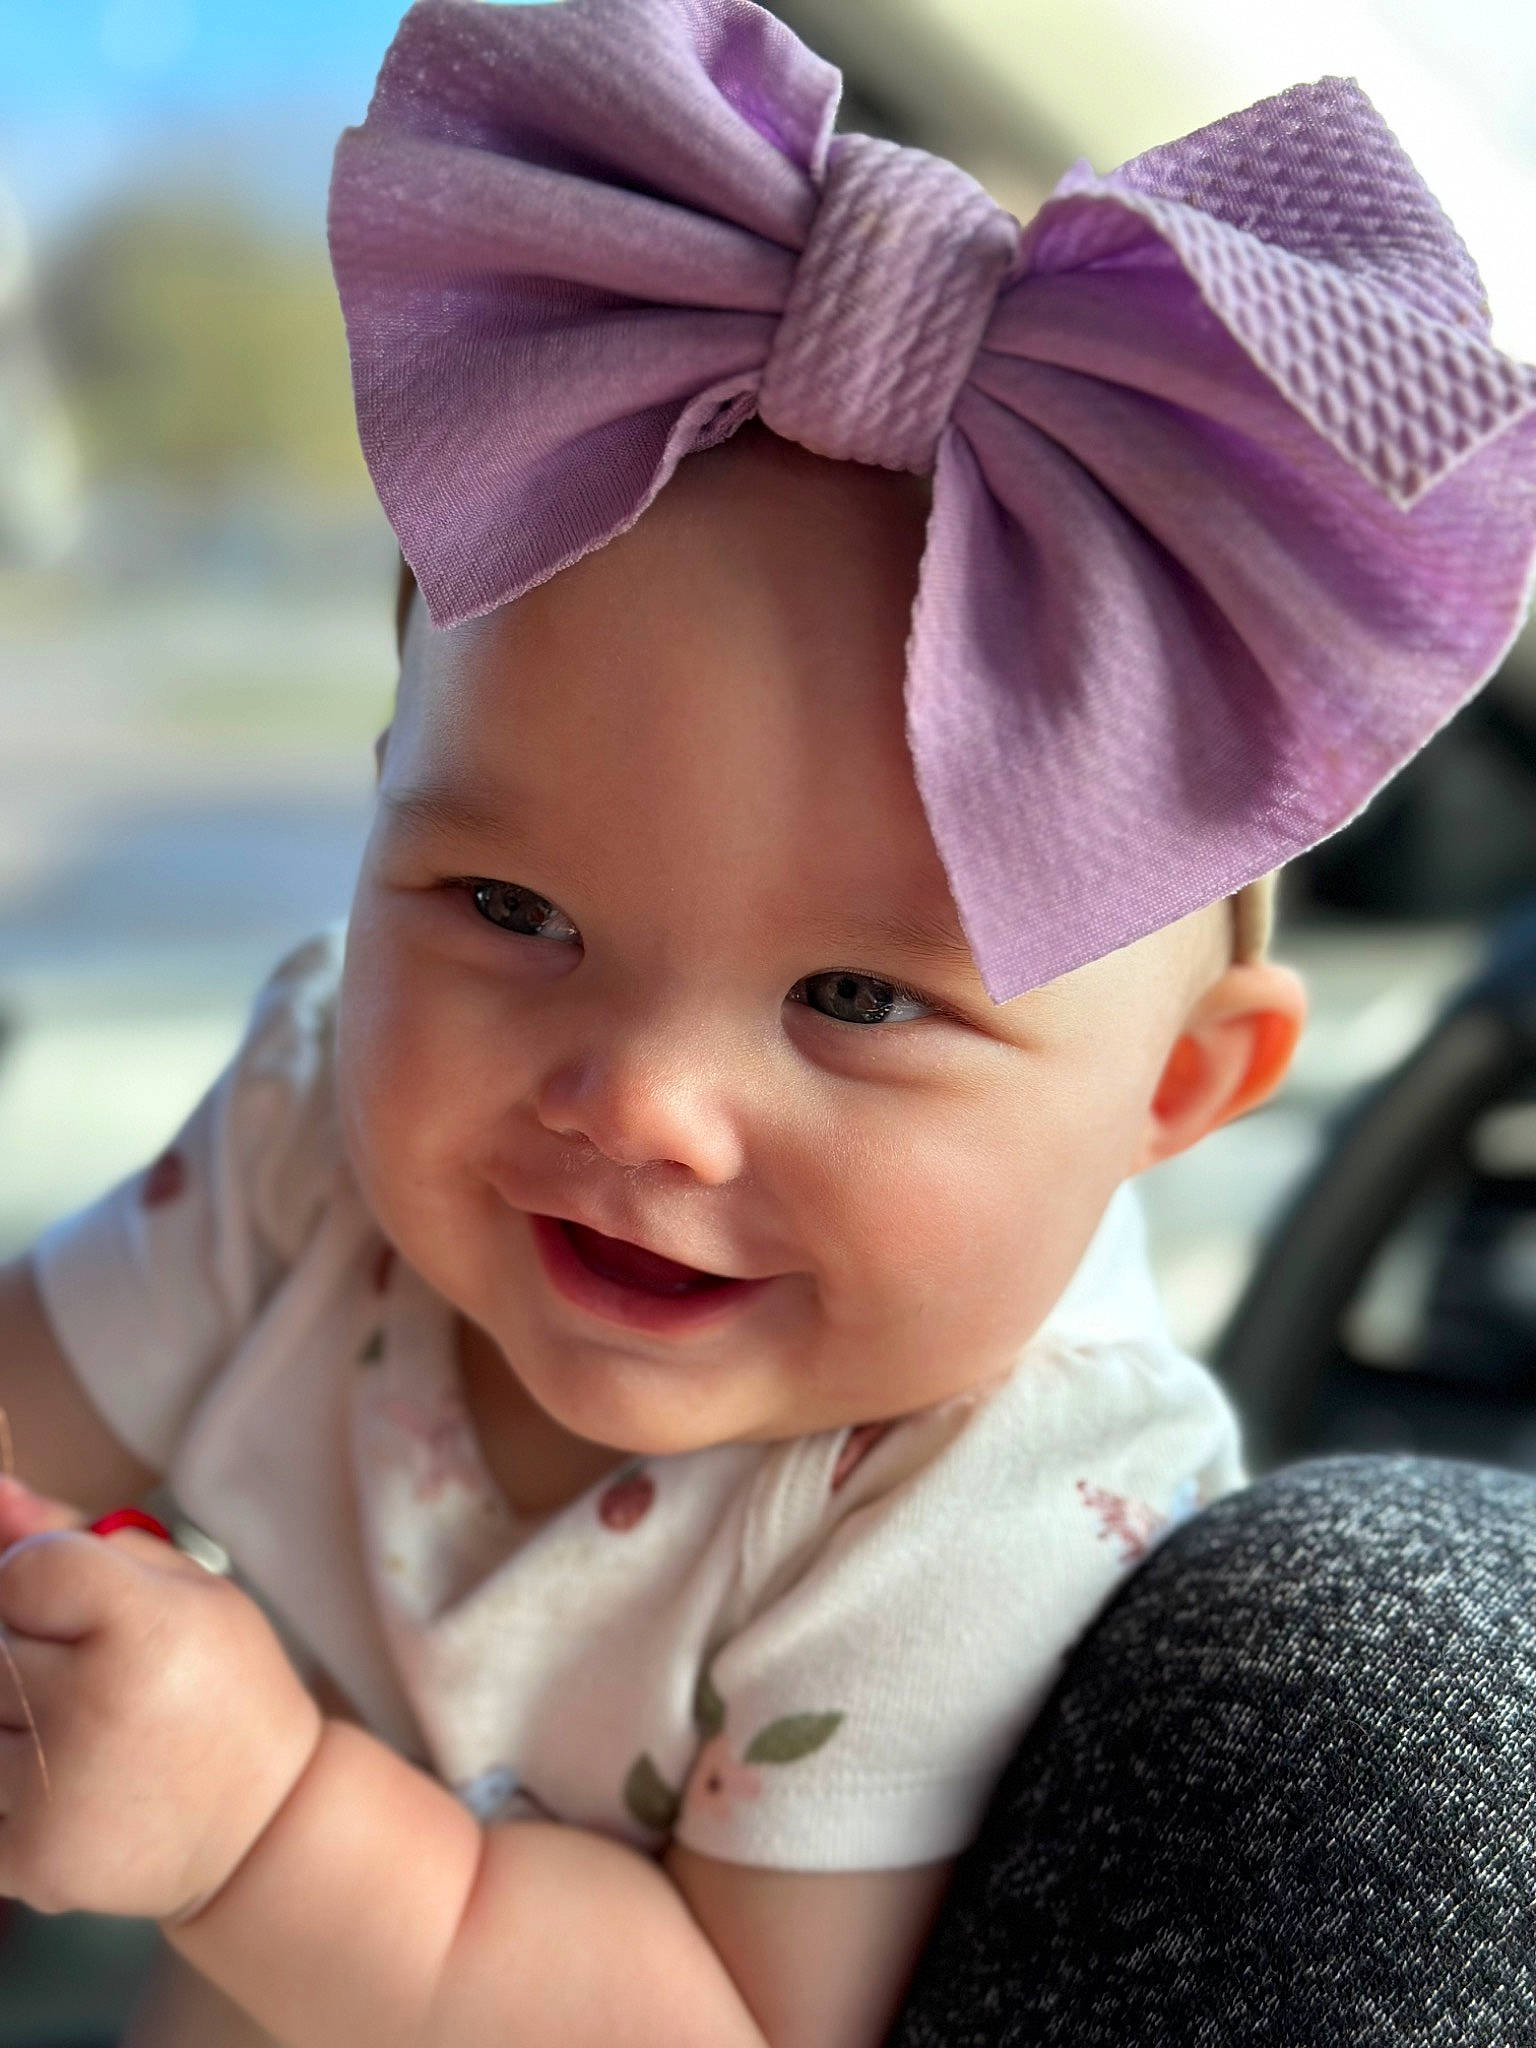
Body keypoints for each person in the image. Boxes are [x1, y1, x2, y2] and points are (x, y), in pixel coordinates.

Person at [0, 2, 1532, 2044]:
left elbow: (725, 2016)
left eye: (855, 997)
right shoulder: (317, 1129)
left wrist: (258, 1817)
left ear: (1176, 1087)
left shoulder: (995, 1491)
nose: (638, 1102)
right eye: (512, 907)